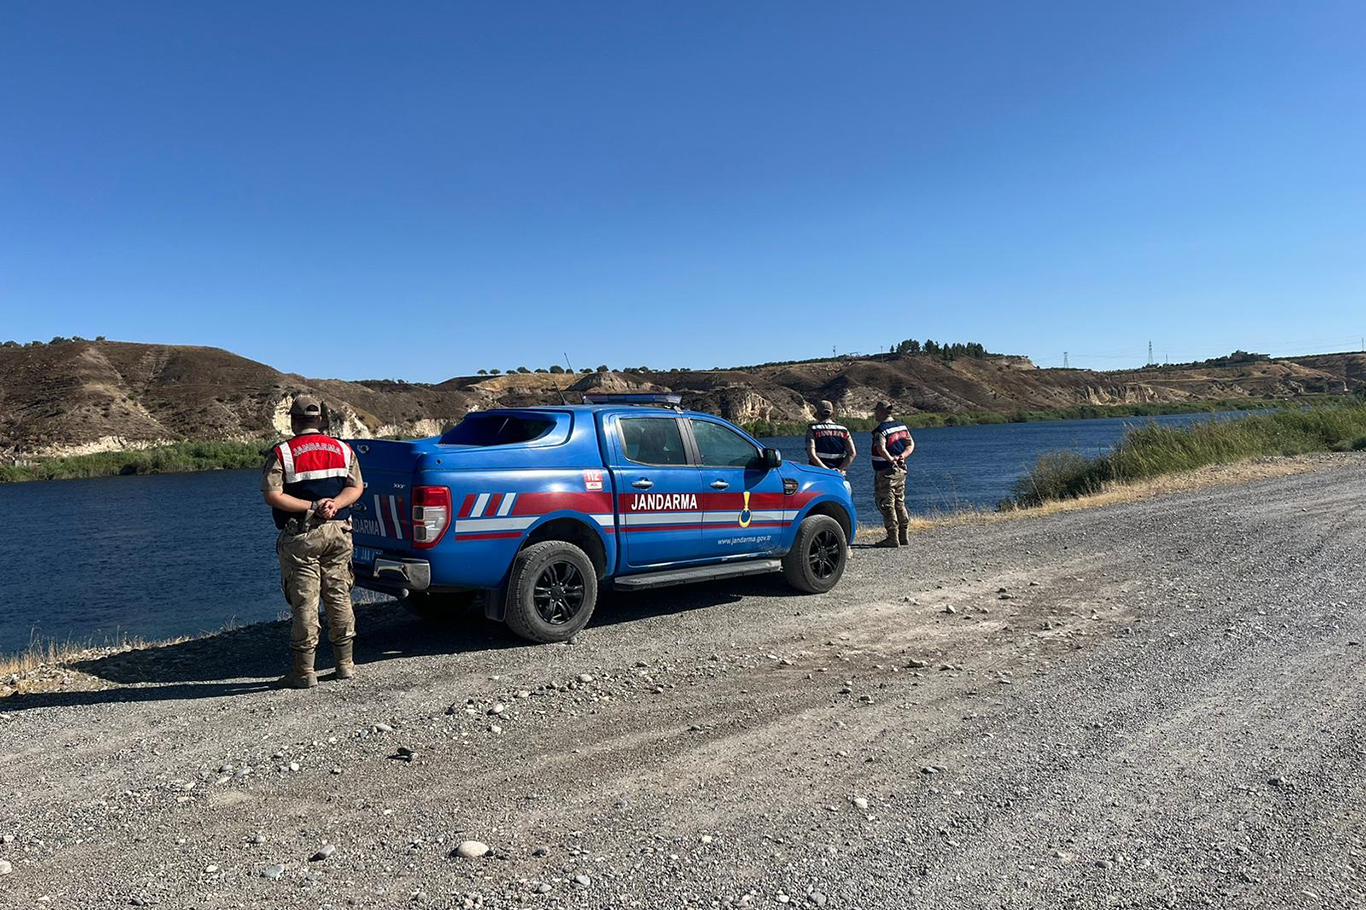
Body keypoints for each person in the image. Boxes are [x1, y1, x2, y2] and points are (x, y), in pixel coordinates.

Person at [261, 395, 364, 688]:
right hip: (339, 530)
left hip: (302, 536)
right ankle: (345, 664)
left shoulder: (283, 453)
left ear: (293, 420)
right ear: (319, 420)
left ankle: (304, 671)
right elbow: (356, 486)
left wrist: (311, 506)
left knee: (305, 603)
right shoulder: (343, 449)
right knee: (339, 595)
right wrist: (334, 503)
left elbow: (272, 495)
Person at [869, 400, 914, 548]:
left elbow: (881, 448)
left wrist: (891, 460)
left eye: (876, 411)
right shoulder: (901, 426)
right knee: (899, 502)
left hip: (886, 471)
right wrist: (902, 456)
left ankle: (892, 536)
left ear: (881, 412)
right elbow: (910, 444)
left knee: (887, 503)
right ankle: (903, 535)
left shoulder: (880, 431)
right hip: (901, 470)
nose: (875, 414)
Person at [805, 400, 856, 473]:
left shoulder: (813, 430)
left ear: (818, 414)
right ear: (832, 414)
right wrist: (840, 469)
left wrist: (826, 470)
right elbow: (852, 453)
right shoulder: (843, 430)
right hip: (837, 473)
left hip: (817, 471)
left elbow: (811, 454)